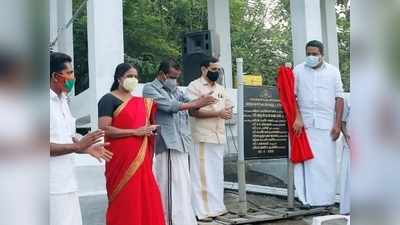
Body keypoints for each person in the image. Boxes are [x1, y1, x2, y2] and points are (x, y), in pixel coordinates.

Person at [142, 59, 216, 225]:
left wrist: (202, 101)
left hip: (182, 142)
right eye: (172, 76)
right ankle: (168, 220)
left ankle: (183, 220)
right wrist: (196, 102)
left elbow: (190, 107)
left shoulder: (176, 90)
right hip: (167, 144)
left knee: (183, 185)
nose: (175, 81)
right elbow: (169, 106)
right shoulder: (149, 89)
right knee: (169, 185)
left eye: (177, 77)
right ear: (161, 74)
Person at [97, 63, 166, 225]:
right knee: (125, 199)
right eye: (129, 76)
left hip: (142, 160)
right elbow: (104, 129)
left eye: (135, 76)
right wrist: (135, 132)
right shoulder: (108, 99)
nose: (133, 79)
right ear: (119, 78)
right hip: (120, 158)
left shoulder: (142, 102)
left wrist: (150, 130)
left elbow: (144, 128)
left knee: (145, 195)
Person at [50, 52, 113, 225]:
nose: (73, 77)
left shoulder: (63, 101)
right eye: (69, 73)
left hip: (68, 181)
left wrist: (87, 148)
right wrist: (77, 148)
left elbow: (67, 136)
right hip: (51, 186)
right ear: (55, 76)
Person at [292, 40, 344, 207]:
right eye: (308, 54)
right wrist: (297, 117)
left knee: (326, 164)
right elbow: (291, 97)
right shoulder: (298, 70)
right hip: (303, 125)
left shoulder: (333, 72)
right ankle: (306, 199)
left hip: (327, 125)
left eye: (314, 54)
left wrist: (337, 124)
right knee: (306, 162)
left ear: (322, 55)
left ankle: (325, 200)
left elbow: (339, 98)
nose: (311, 57)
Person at [186, 56, 233, 222]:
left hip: (218, 136)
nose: (216, 72)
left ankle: (217, 207)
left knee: (216, 174)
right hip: (202, 136)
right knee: (201, 175)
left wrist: (227, 111)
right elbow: (193, 111)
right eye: (213, 69)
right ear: (203, 69)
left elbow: (228, 106)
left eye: (218, 70)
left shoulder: (220, 88)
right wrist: (218, 113)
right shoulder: (195, 86)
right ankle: (202, 211)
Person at [340, 94, 351, 215]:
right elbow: (342, 122)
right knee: (349, 177)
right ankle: (347, 211)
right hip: (352, 144)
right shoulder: (348, 98)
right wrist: (347, 136)